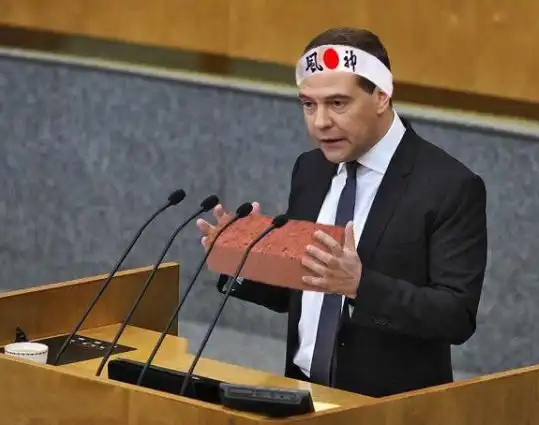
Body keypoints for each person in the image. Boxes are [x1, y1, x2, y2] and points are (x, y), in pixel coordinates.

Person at [196, 27, 488, 398]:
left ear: (381, 96)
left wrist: (360, 286)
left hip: (386, 408)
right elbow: (301, 287)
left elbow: (456, 316)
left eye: (337, 104)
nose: (320, 122)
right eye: (308, 105)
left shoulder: (449, 186)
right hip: (300, 393)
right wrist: (240, 257)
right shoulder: (311, 169)